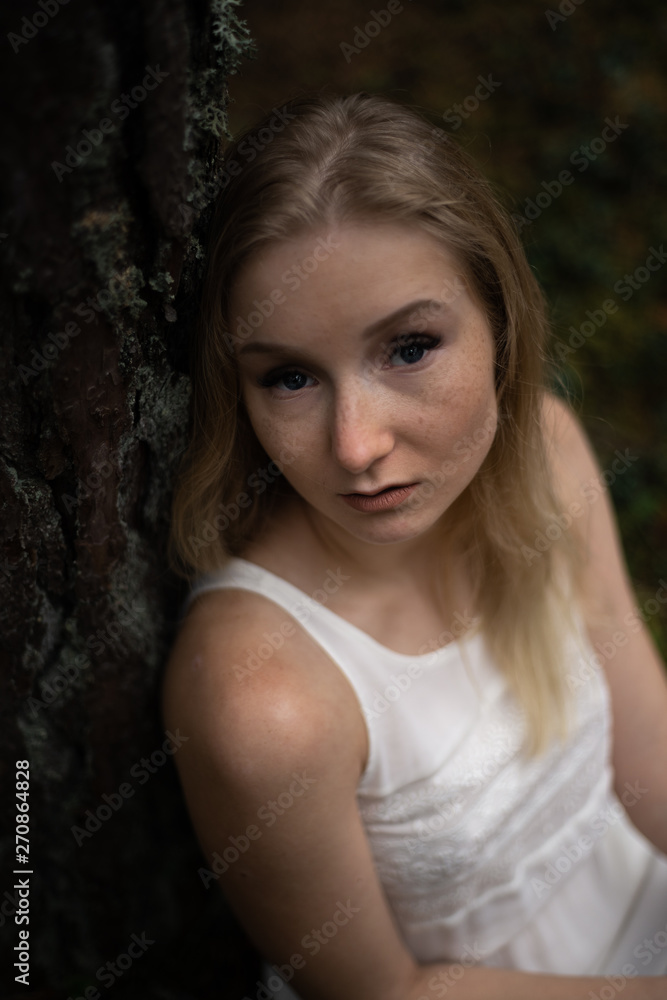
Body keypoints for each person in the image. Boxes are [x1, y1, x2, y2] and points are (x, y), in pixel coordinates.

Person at [162, 92, 667, 999]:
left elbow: (648, 758)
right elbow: (381, 992)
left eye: (407, 349)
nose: (356, 446)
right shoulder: (263, 698)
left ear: (499, 322)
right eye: (289, 377)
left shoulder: (546, 455)